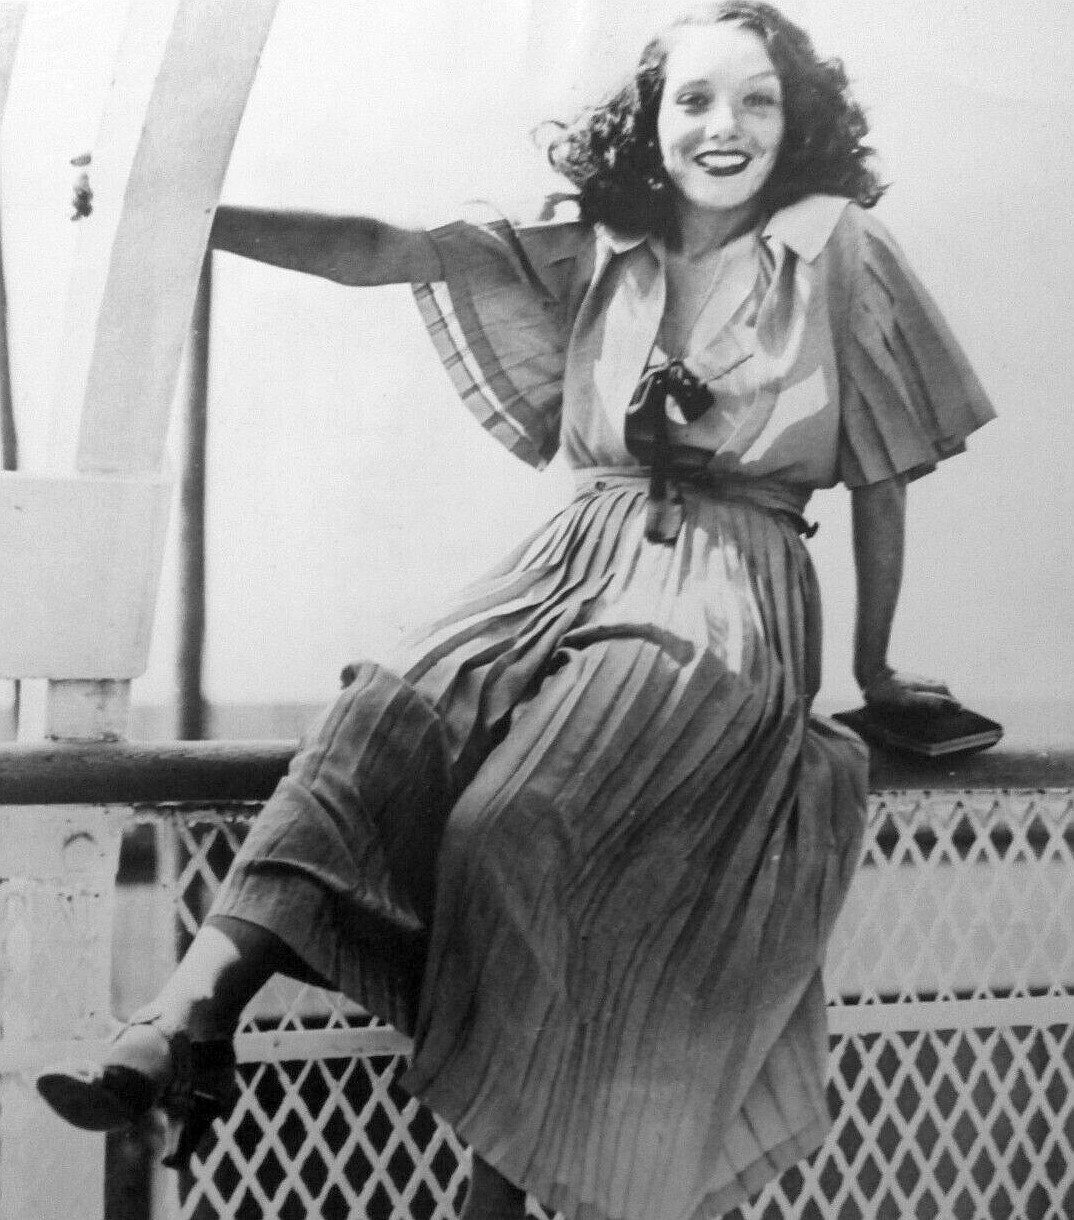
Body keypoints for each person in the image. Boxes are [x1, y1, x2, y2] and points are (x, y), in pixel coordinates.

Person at [38, 3, 995, 1217]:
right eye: (696, 99)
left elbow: (885, 476)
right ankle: (186, 1014)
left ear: (796, 120)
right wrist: (190, 218)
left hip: (728, 590)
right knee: (385, 714)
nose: (725, 126)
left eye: (758, 99)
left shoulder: (840, 248)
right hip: (567, 561)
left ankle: (493, 1198)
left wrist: (878, 663)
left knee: (517, 824)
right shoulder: (599, 242)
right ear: (651, 120)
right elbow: (383, 248)